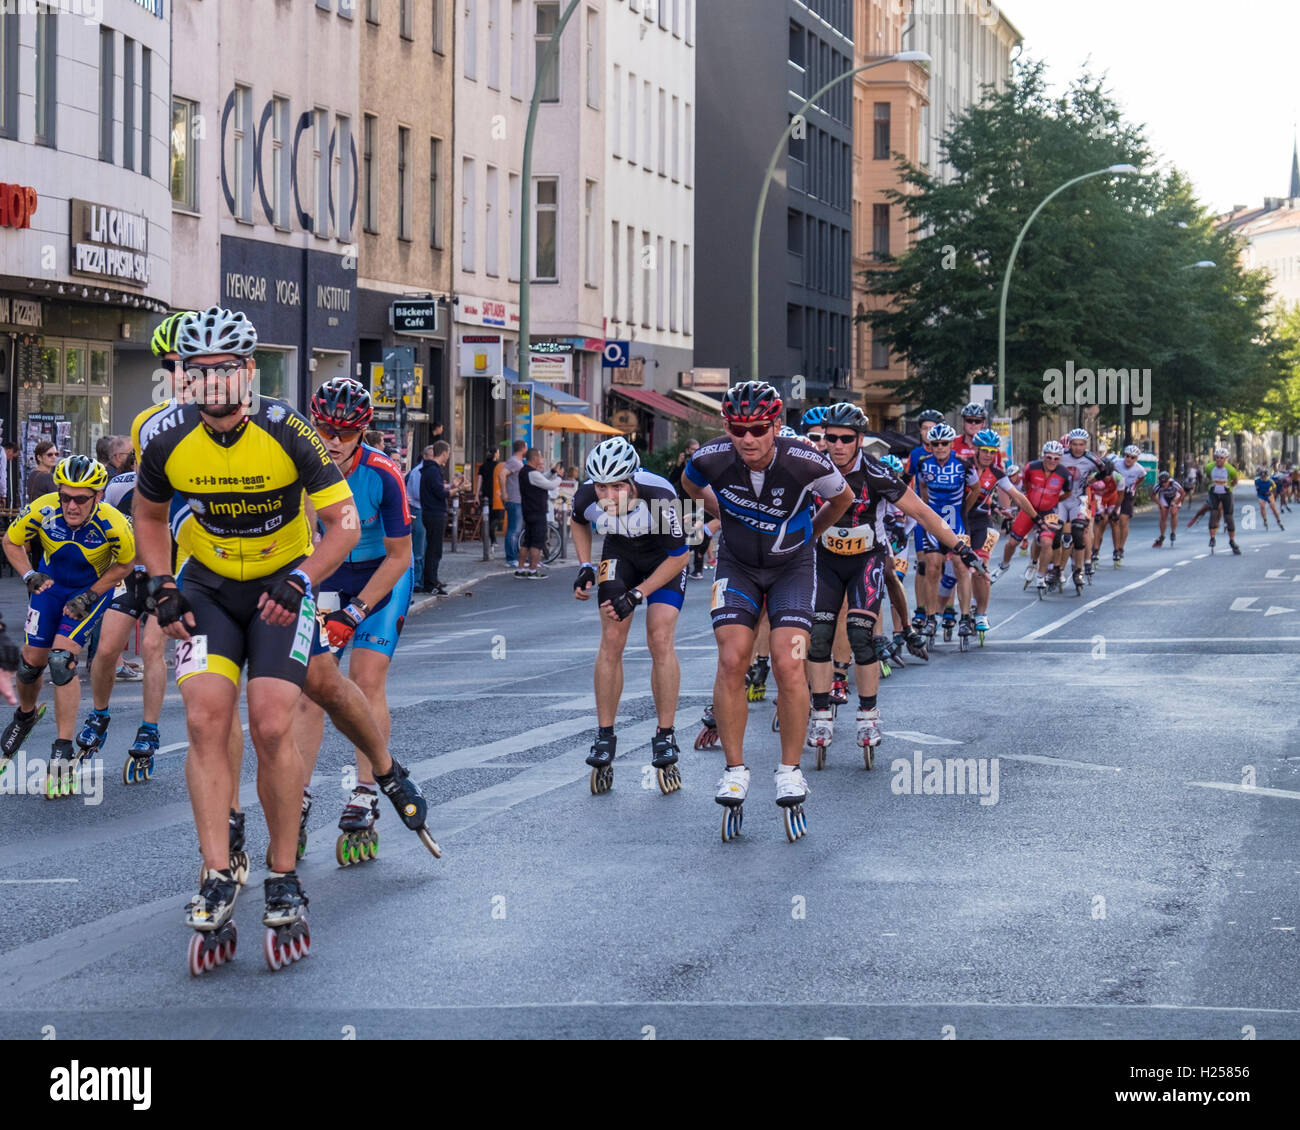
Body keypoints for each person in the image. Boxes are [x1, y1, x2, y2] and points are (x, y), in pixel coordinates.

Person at [131, 305, 437, 974]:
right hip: (207, 589)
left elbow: (346, 524)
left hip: (281, 589)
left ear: (247, 371)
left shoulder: (288, 431)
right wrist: (159, 584)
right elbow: (148, 515)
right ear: (184, 377)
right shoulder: (166, 440)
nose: (212, 383)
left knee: (274, 724)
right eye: (198, 371)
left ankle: (283, 870)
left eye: (225, 370)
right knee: (207, 719)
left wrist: (303, 579)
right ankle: (217, 873)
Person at [682, 380, 857, 842]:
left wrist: (810, 535)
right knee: (732, 659)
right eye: (738, 428)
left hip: (792, 570)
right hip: (736, 566)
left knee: (788, 663)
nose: (748, 438)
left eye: (758, 428)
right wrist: (725, 514)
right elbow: (690, 484)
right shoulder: (711, 458)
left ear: (775, 426)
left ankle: (789, 770)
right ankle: (736, 770)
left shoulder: (804, 460)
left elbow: (843, 500)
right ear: (727, 427)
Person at [805, 403, 979, 766]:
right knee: (819, 634)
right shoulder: (812, 469)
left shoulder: (877, 472)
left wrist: (958, 543)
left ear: (860, 440)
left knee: (860, 634)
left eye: (845, 439)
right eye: (830, 438)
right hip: (825, 560)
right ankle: (821, 713)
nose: (836, 445)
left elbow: (921, 512)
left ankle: (868, 715)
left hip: (865, 559)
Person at [295, 377, 416, 865]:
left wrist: (357, 610)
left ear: (363, 431)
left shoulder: (383, 474)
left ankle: (366, 790)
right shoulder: (300, 467)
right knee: (312, 689)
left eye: (346, 431)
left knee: (365, 680)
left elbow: (401, 557)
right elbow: (301, 539)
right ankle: (299, 794)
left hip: (380, 578)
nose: (334, 439)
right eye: (325, 427)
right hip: (328, 574)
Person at [0, 456, 134, 794]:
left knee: (61, 662)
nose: (71, 505)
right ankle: (26, 715)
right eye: (66, 497)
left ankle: (61, 749)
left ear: (98, 496)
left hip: (89, 591)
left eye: (81, 499)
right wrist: (29, 574)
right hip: (49, 586)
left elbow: (126, 565)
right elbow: (10, 541)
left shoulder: (114, 523)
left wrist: (91, 595)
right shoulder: (44, 509)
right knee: (31, 666)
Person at [570, 437, 690, 795]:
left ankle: (665, 734)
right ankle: (605, 733)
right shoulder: (586, 496)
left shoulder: (659, 496)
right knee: (611, 639)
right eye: (601, 486)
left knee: (660, 637)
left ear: (633, 480)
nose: (608, 495)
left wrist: (638, 594)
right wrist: (585, 565)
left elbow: (680, 557)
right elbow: (578, 522)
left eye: (617, 486)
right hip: (619, 555)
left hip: (663, 561)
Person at [517, 448, 562, 579]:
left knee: (527, 542)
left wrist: (552, 471)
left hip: (528, 510)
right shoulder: (532, 474)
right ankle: (532, 570)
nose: (542, 459)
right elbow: (550, 485)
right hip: (537, 511)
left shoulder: (526, 472)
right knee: (537, 542)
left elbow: (541, 479)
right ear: (535, 458)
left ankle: (520, 569)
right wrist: (559, 476)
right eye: (541, 456)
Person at [418, 442, 455, 594]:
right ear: (444, 453)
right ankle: (430, 583)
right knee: (434, 549)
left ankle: (432, 580)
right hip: (434, 513)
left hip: (430, 512)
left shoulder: (429, 469)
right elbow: (441, 493)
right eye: (448, 452)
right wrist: (457, 489)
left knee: (433, 549)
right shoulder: (433, 470)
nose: (448, 455)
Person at [502, 440, 526, 569]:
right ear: (523, 448)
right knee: (513, 530)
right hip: (514, 499)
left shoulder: (518, 462)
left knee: (516, 530)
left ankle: (514, 556)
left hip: (518, 499)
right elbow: (502, 474)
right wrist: (504, 493)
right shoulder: (514, 462)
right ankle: (511, 558)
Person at [405, 454, 425, 585]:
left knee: (422, 546)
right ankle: (416, 580)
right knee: (418, 547)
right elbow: (418, 494)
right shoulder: (418, 472)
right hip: (417, 509)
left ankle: (421, 578)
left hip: (421, 510)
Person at [1151, 471, 1185, 546]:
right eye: (1162, 483)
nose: (1164, 484)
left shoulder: (1174, 484)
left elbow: (1183, 493)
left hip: (1175, 497)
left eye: (1166, 482)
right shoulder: (1157, 486)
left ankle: (1173, 532)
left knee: (1173, 512)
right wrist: (1160, 504)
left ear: (1169, 480)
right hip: (1164, 497)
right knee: (1163, 516)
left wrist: (1177, 503)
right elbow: (1152, 496)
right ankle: (1162, 535)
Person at [478, 446, 500, 549]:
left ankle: (490, 537)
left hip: (486, 494)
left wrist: (477, 494)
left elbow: (479, 480)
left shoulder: (483, 466)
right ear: (495, 454)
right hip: (496, 494)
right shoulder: (498, 466)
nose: (499, 454)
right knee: (498, 517)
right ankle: (491, 535)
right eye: (498, 453)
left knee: (490, 517)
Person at [1254, 466, 1284, 530]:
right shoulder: (1257, 481)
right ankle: (1265, 519)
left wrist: (1271, 492)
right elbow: (1257, 489)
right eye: (1262, 477)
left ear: (1267, 476)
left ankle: (1279, 520)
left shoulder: (1270, 481)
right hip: (1261, 495)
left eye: (1264, 477)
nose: (1263, 478)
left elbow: (1275, 488)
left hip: (1269, 495)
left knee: (1273, 508)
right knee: (1262, 506)